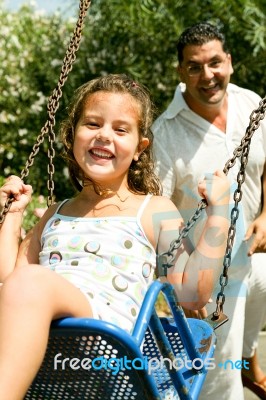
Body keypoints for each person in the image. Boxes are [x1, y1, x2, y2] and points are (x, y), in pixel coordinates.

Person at [0, 73, 230, 399]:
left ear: (139, 148)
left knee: (30, 283)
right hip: (48, 341)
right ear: (71, 136)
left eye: (121, 129)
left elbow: (192, 292)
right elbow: (9, 278)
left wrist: (218, 212)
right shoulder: (56, 212)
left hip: (109, 350)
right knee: (22, 286)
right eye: (92, 124)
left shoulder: (152, 209)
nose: (104, 135)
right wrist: (12, 214)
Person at [152, 22, 266, 400]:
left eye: (215, 63)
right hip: (207, 270)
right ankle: (235, 373)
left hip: (250, 251)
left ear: (229, 62)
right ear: (180, 72)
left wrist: (265, 215)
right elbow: (157, 211)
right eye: (194, 67)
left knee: (262, 287)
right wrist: (181, 284)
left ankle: (249, 361)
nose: (208, 76)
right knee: (220, 379)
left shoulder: (251, 103)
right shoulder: (165, 133)